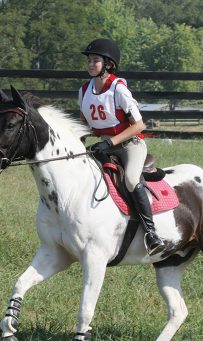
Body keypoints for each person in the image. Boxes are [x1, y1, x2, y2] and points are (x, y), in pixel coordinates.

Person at [78, 38, 165, 256]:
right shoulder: (84, 90)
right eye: (89, 60)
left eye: (95, 60)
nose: (90, 64)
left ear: (108, 64)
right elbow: (83, 124)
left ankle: (151, 234)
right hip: (102, 146)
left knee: (131, 180)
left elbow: (139, 124)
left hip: (129, 145)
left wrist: (110, 142)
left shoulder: (118, 89)